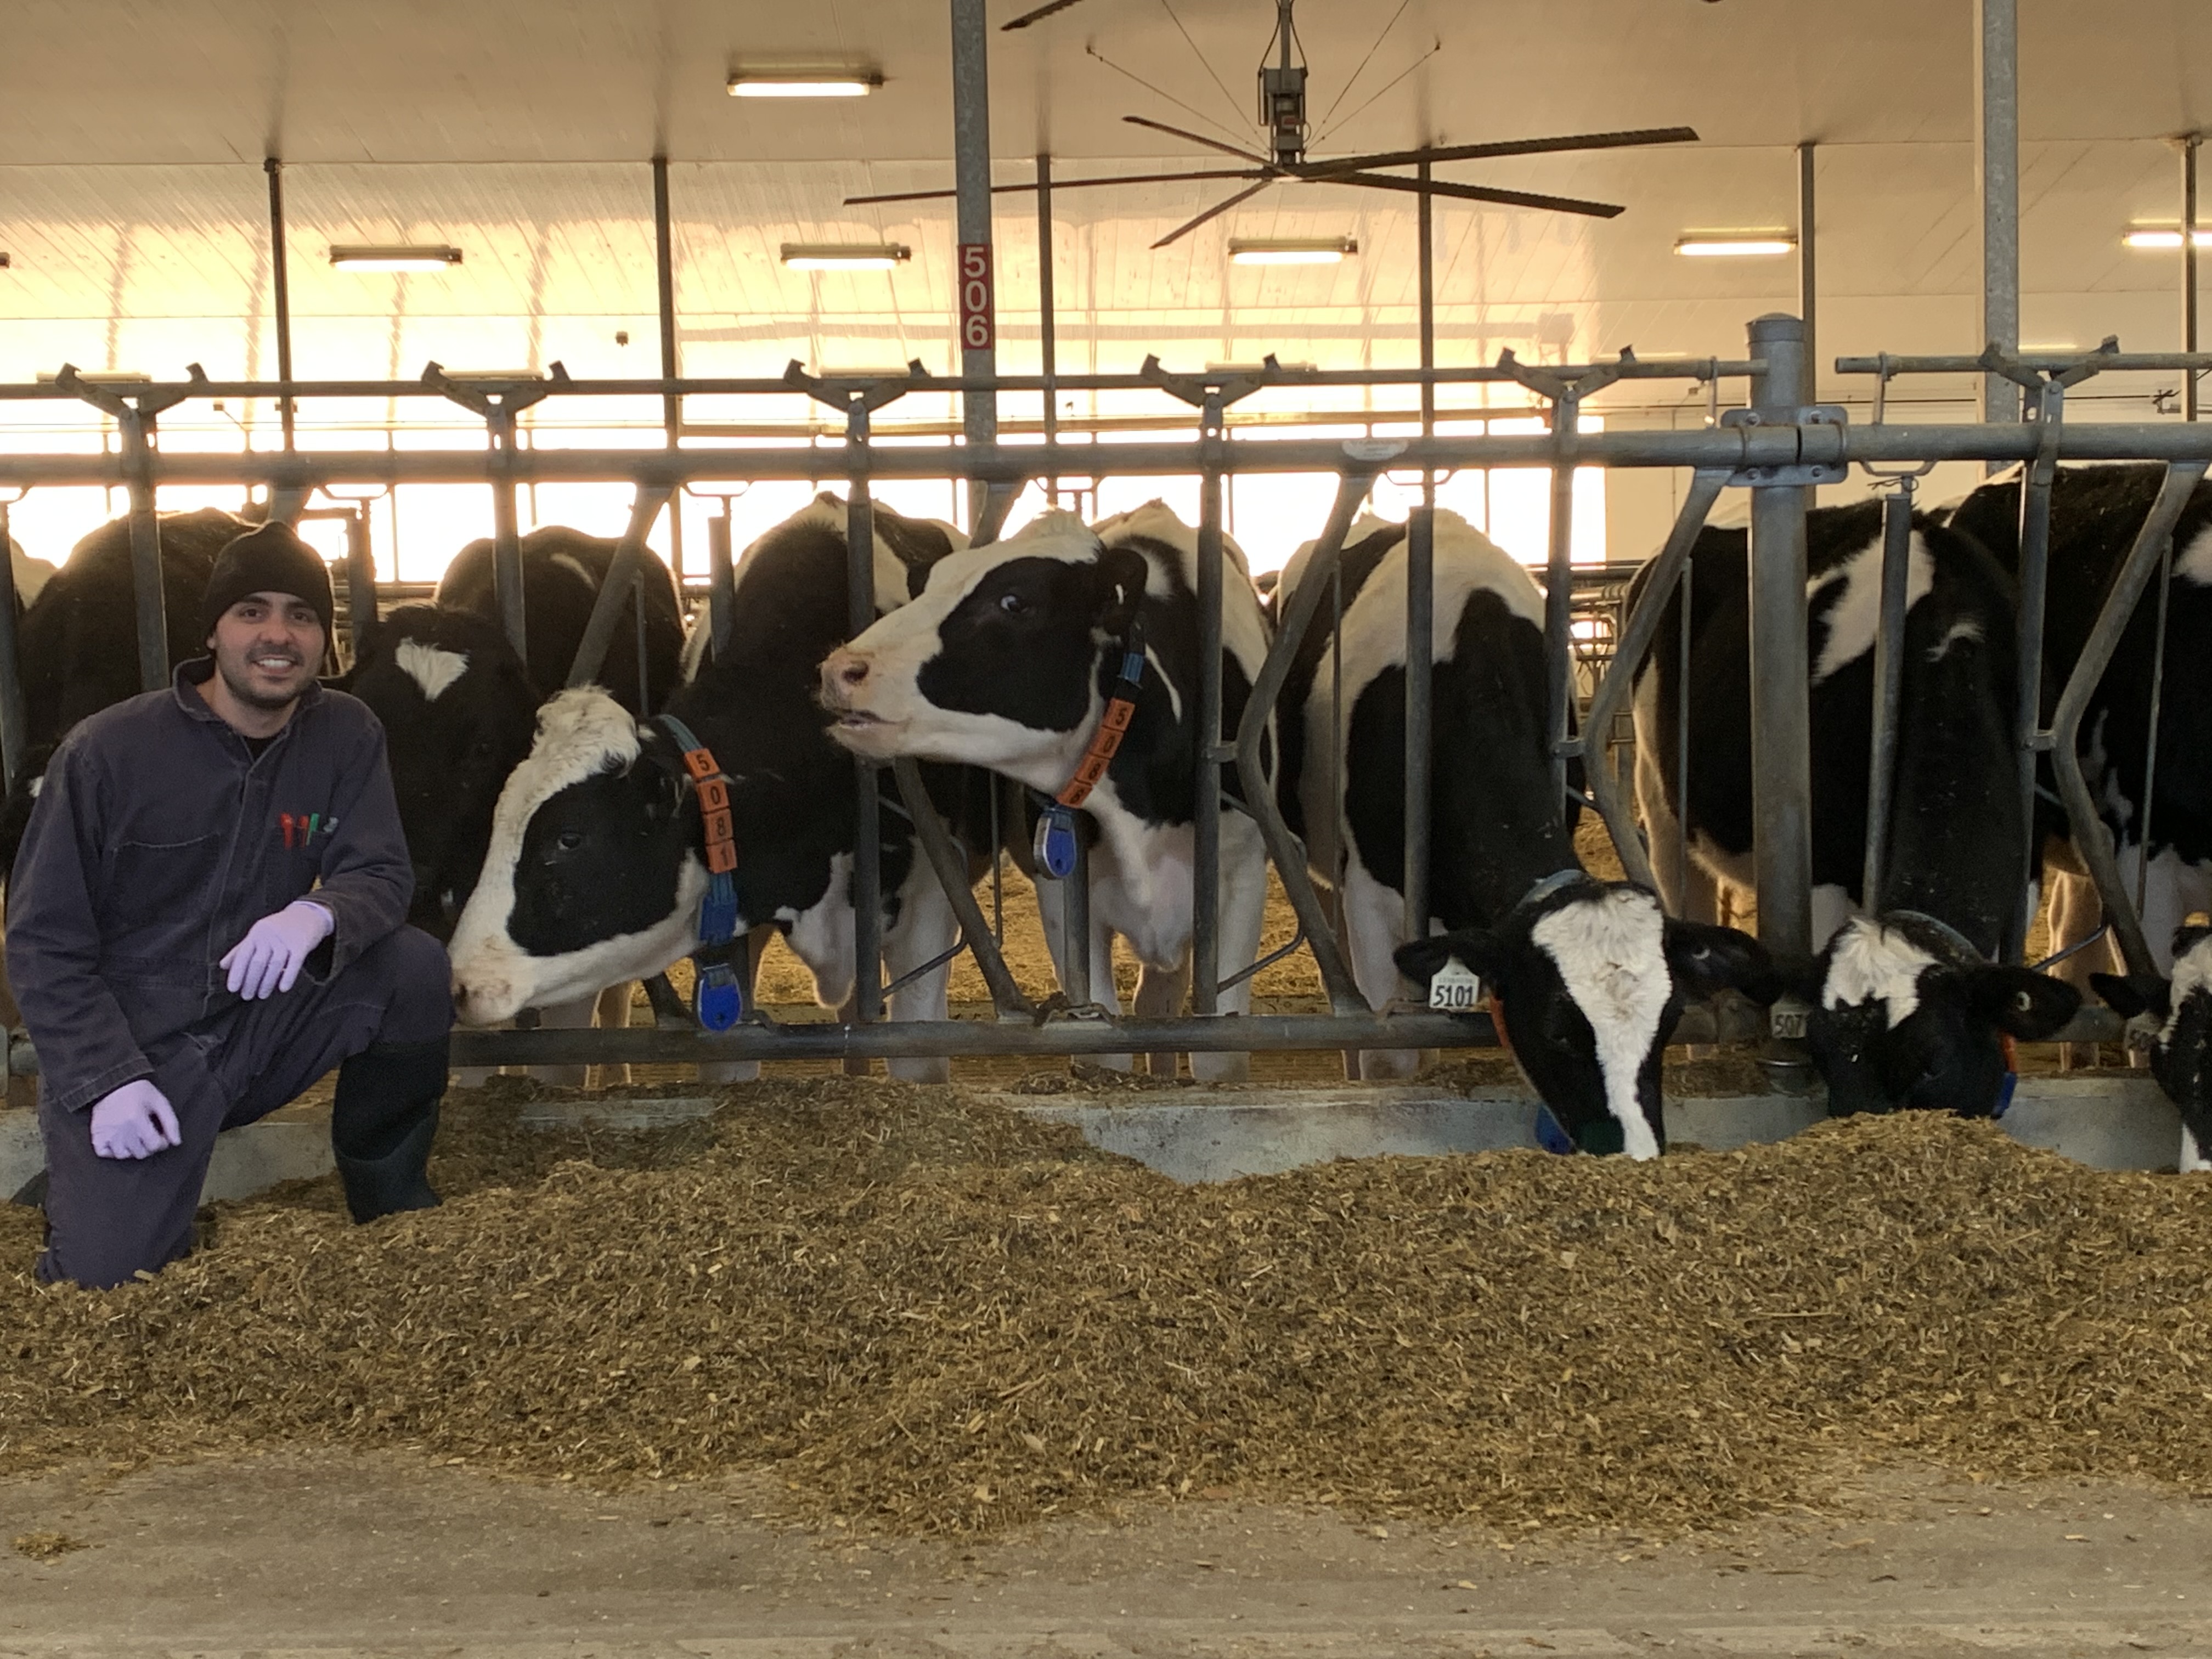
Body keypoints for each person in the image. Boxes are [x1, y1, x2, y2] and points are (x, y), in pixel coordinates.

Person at [6, 522, 452, 1289]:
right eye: (252, 611)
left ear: (324, 637)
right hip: (144, 1054)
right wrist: (104, 1078)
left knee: (412, 967)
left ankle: (389, 1197)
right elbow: (42, 942)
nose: (278, 635)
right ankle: (84, 1182)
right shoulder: (108, 753)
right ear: (212, 630)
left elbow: (380, 869)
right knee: (106, 1286)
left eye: (302, 615)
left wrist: (320, 914)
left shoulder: (345, 735)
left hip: (261, 1021)